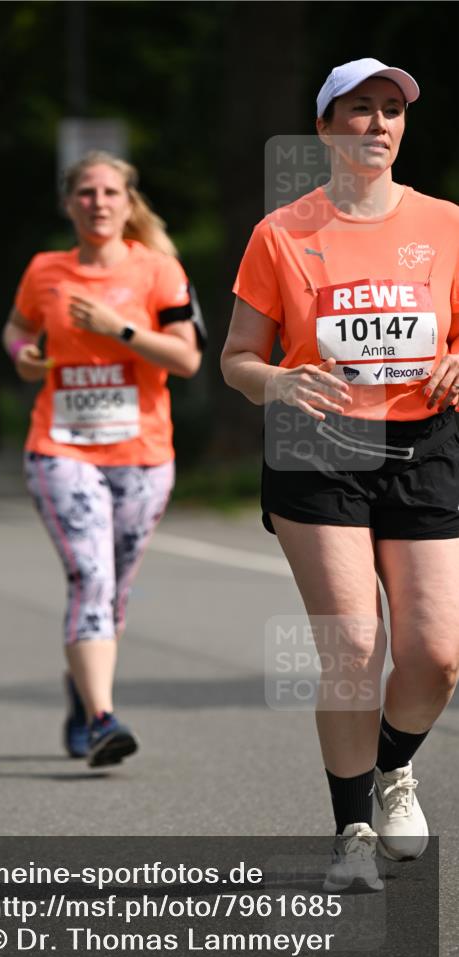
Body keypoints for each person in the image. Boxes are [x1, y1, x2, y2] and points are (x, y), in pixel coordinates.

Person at [221, 58, 459, 890]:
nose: (378, 124)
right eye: (359, 108)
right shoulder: (280, 233)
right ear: (324, 127)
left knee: (436, 655)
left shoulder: (446, 223)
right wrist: (277, 382)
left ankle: (392, 768)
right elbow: (236, 359)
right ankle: (353, 832)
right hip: (315, 447)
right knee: (355, 644)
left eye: (391, 109)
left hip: (424, 445)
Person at [2, 151, 202, 768]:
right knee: (91, 578)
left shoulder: (159, 270)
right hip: (60, 447)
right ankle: (103, 719)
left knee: (114, 591)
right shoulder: (45, 270)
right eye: (86, 192)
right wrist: (22, 355)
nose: (98, 203)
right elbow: (16, 329)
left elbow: (188, 359)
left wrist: (120, 329)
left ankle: (83, 690)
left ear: (128, 201)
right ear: (69, 203)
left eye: (110, 192)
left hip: (143, 454)